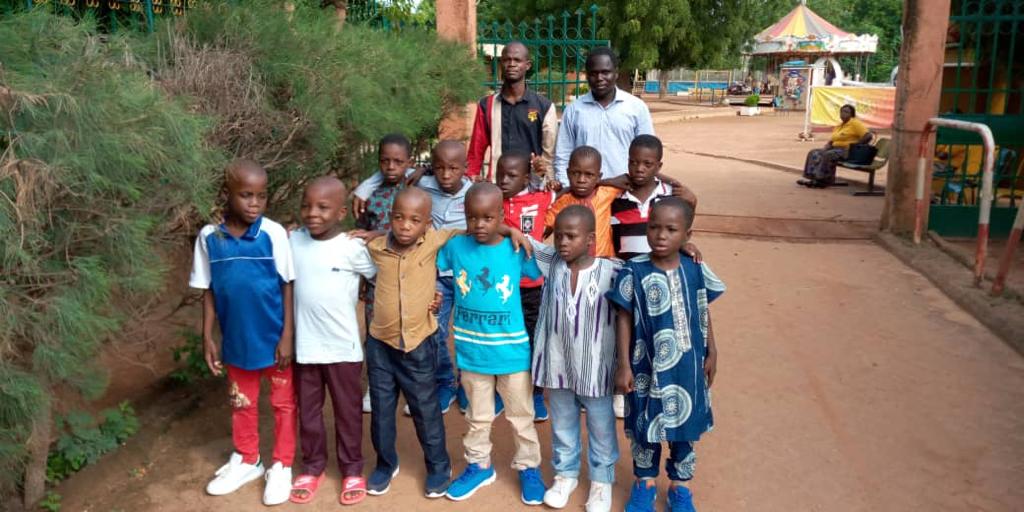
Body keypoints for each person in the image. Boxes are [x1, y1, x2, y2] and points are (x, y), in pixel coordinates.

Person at [606, 197, 726, 512]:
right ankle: (644, 483)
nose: (661, 235)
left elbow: (703, 309)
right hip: (645, 365)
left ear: (687, 234)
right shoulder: (635, 269)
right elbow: (623, 316)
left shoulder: (695, 267)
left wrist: (712, 349)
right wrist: (623, 365)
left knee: (686, 426)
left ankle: (679, 487)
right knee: (644, 424)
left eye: (671, 229)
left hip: (688, 366)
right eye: (654, 227)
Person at [191, 159, 296, 506]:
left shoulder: (273, 234)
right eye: (246, 195)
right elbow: (207, 289)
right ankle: (248, 458)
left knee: (283, 404)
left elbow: (287, 286)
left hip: (273, 338)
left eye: (261, 196)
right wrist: (208, 336)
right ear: (228, 194)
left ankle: (282, 464)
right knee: (242, 402)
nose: (254, 203)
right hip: (236, 340)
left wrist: (286, 337)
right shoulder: (210, 237)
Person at [439, 183, 546, 505]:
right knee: (477, 416)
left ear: (501, 215)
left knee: (521, 416)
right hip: (472, 353)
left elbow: (542, 264)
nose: (480, 225)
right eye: (473, 218)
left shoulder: (516, 249)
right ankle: (479, 465)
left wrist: (516, 233)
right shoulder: (456, 247)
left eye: (488, 218)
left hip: (512, 352)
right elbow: (427, 251)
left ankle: (529, 466)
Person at [354, 140, 472, 416]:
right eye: (439, 167)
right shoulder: (422, 183)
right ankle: (443, 382)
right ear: (432, 166)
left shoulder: (472, 192)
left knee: (468, 332)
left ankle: (467, 385)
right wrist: (362, 189)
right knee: (436, 332)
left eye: (453, 168)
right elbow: (389, 172)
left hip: (464, 274)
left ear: (465, 169)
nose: (445, 175)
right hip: (431, 274)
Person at [359, 187, 456, 500]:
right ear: (390, 219)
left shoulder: (434, 241)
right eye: (398, 218)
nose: (405, 225)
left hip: (418, 344)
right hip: (380, 345)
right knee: (382, 411)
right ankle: (386, 464)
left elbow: (470, 230)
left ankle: (439, 466)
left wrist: (508, 228)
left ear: (427, 224)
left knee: (425, 410)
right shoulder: (375, 247)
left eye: (415, 220)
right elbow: (340, 243)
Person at [288, 177, 377, 505]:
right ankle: (312, 466)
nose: (313, 213)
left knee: (348, 411)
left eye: (323, 207)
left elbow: (377, 274)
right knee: (308, 412)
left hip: (343, 348)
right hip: (305, 348)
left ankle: (352, 467)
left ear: (341, 212)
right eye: (306, 206)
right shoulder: (293, 242)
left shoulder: (351, 247)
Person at [529, 206, 620, 512]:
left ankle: (601, 481)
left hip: (596, 369)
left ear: (591, 239)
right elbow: (527, 242)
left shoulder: (612, 272)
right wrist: (507, 228)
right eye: (559, 236)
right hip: (557, 366)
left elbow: (650, 270)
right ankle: (565, 474)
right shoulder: (553, 264)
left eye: (571, 236)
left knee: (601, 425)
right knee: (563, 424)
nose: (563, 243)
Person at [356, 133, 414, 414]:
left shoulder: (416, 188)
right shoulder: (370, 196)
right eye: (385, 161)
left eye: (398, 161)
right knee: (376, 333)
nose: (391, 166)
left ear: (409, 163)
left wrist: (378, 233)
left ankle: (410, 388)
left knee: (409, 331)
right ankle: (376, 386)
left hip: (412, 277)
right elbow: (361, 237)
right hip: (377, 278)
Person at [496, 150, 555, 422]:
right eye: (500, 175)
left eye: (512, 176)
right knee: (502, 337)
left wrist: (544, 172)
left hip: (533, 285)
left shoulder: (539, 198)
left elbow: (557, 188)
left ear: (526, 178)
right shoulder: (492, 203)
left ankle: (536, 394)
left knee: (535, 339)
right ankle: (499, 392)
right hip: (501, 288)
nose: (504, 181)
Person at [554, 47, 654, 186]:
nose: (599, 78)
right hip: (585, 193)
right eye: (593, 73)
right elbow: (563, 155)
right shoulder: (574, 110)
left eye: (605, 72)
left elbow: (648, 153)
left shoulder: (636, 107)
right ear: (587, 76)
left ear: (616, 73)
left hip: (625, 191)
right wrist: (567, 188)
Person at [467, 41, 558, 186]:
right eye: (506, 60)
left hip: (532, 187)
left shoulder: (544, 106)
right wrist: (470, 178)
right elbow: (476, 151)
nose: (511, 64)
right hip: (497, 186)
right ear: (501, 63)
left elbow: (549, 154)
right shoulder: (487, 105)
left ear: (527, 65)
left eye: (517, 60)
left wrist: (548, 181)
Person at [610, 135, 698, 261]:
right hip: (625, 270)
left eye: (647, 164)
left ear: (659, 166)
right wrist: (608, 182)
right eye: (633, 162)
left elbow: (682, 227)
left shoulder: (671, 194)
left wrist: (693, 203)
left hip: (661, 270)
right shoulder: (615, 196)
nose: (639, 169)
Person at [545, 146, 619, 258]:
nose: (581, 180)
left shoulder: (606, 193)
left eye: (589, 175)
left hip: (604, 261)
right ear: (568, 173)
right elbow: (542, 229)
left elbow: (628, 180)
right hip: (572, 264)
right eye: (575, 173)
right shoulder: (562, 202)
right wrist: (555, 195)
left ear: (598, 177)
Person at [798, 104, 873, 188]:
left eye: (846, 112)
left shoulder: (855, 123)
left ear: (852, 114)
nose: (843, 114)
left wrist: (855, 146)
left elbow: (868, 136)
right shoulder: (839, 125)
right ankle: (812, 178)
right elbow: (833, 139)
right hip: (835, 148)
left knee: (828, 155)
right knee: (814, 152)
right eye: (841, 112)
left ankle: (823, 180)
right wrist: (828, 145)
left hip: (847, 151)